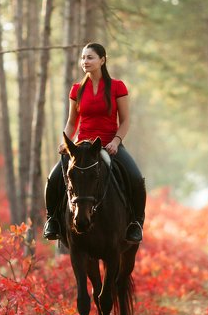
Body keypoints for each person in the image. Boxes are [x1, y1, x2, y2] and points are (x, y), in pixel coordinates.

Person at [43, 42, 146, 243]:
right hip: (81, 147)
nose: (85, 61)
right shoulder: (76, 90)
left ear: (102, 60)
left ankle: (135, 223)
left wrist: (116, 141)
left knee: (136, 178)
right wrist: (66, 142)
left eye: (90, 57)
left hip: (109, 144)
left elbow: (125, 121)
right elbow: (72, 122)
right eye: (83, 58)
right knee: (53, 179)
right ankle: (52, 220)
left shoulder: (117, 87)